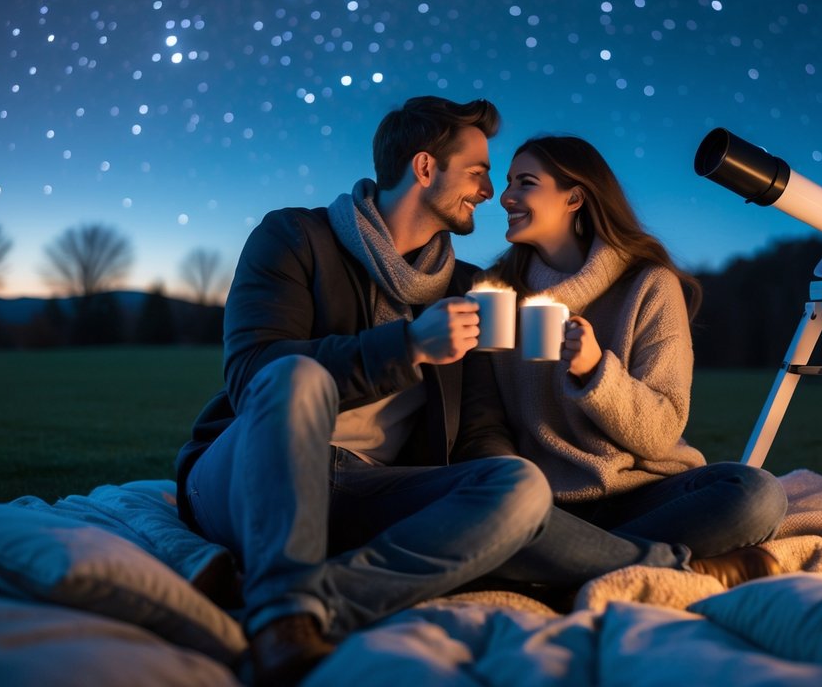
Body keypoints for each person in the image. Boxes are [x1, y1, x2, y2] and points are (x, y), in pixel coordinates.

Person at [175, 96, 557, 686]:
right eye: (477, 172)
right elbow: (254, 375)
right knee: (297, 375)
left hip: (366, 487)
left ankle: (299, 607)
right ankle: (282, 627)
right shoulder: (294, 236)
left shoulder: (467, 287)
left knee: (520, 484)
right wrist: (408, 346)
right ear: (424, 167)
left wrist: (490, 513)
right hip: (251, 473)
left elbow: (479, 428)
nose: (489, 191)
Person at [456, 135, 787, 565]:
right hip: (543, 503)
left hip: (643, 494)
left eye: (525, 183)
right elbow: (485, 421)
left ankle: (574, 563)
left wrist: (596, 372)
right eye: (508, 182)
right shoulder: (495, 293)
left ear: (574, 198)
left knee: (756, 495)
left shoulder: (649, 284)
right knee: (472, 520)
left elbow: (661, 432)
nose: (505, 197)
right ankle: (652, 562)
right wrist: (509, 490)